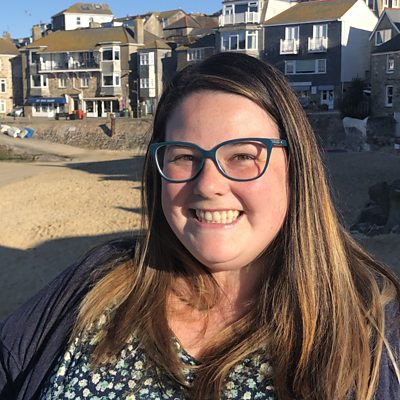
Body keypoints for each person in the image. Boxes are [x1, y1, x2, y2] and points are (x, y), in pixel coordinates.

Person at [1, 52, 399, 400]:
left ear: (296, 169)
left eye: (243, 156)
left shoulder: (374, 324)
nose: (208, 185)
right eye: (184, 157)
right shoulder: (99, 282)